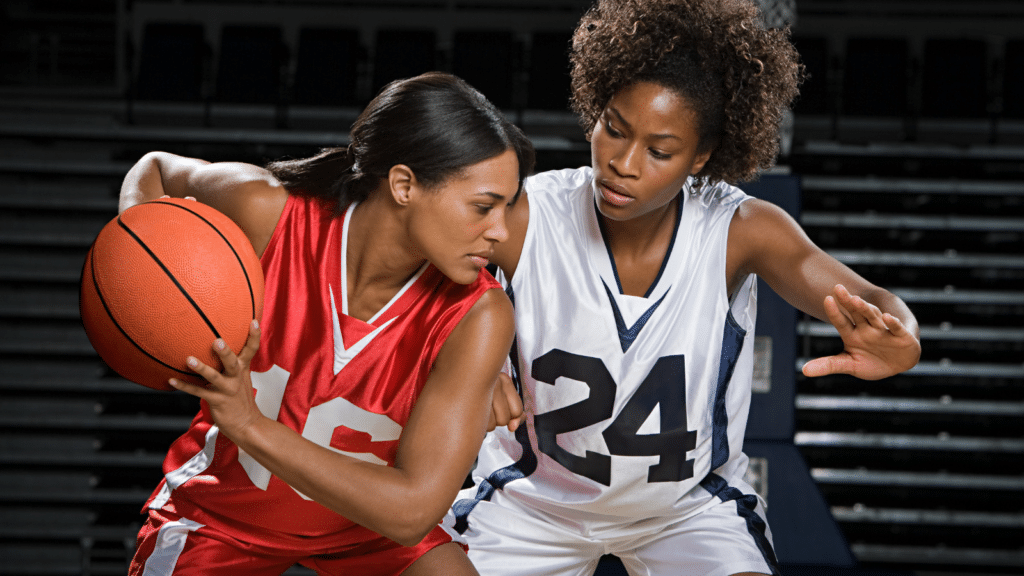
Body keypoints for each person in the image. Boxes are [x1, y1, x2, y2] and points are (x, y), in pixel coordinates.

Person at [446, 1, 922, 575]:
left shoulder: (741, 230)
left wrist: (902, 335)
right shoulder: (528, 215)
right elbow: (417, 272)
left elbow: (871, 301)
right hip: (532, 503)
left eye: (659, 151)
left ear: (701, 157)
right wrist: (465, 352)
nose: (622, 163)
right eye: (613, 129)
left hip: (687, 511)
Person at [119, 72, 535, 576]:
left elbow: (410, 514)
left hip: (366, 530)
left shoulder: (478, 316)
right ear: (404, 185)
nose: (502, 231)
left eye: (507, 209)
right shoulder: (266, 212)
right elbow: (156, 171)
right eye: (484, 207)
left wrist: (249, 424)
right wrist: (143, 288)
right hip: (222, 517)